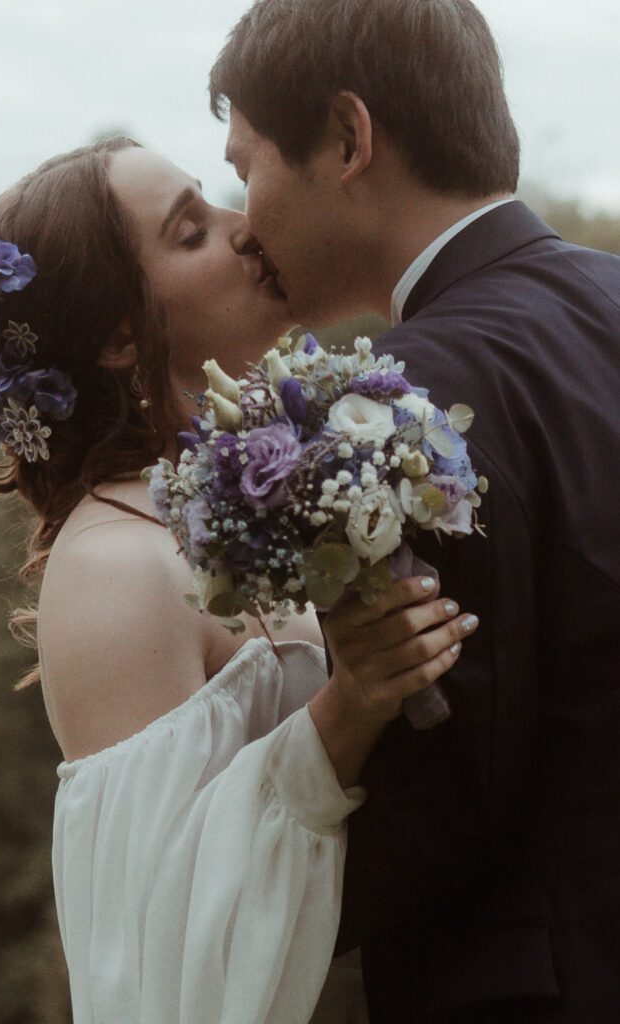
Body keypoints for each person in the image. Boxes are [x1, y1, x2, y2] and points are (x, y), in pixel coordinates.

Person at [0, 136, 478, 1023]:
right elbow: (161, 946)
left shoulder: (247, 498)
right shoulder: (112, 567)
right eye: (192, 231)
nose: (245, 226)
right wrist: (346, 710)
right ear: (120, 337)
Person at [210, 0, 620, 1021]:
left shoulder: (404, 391)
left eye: (245, 165)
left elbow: (448, 789)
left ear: (348, 138)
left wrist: (233, 878)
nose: (244, 221)